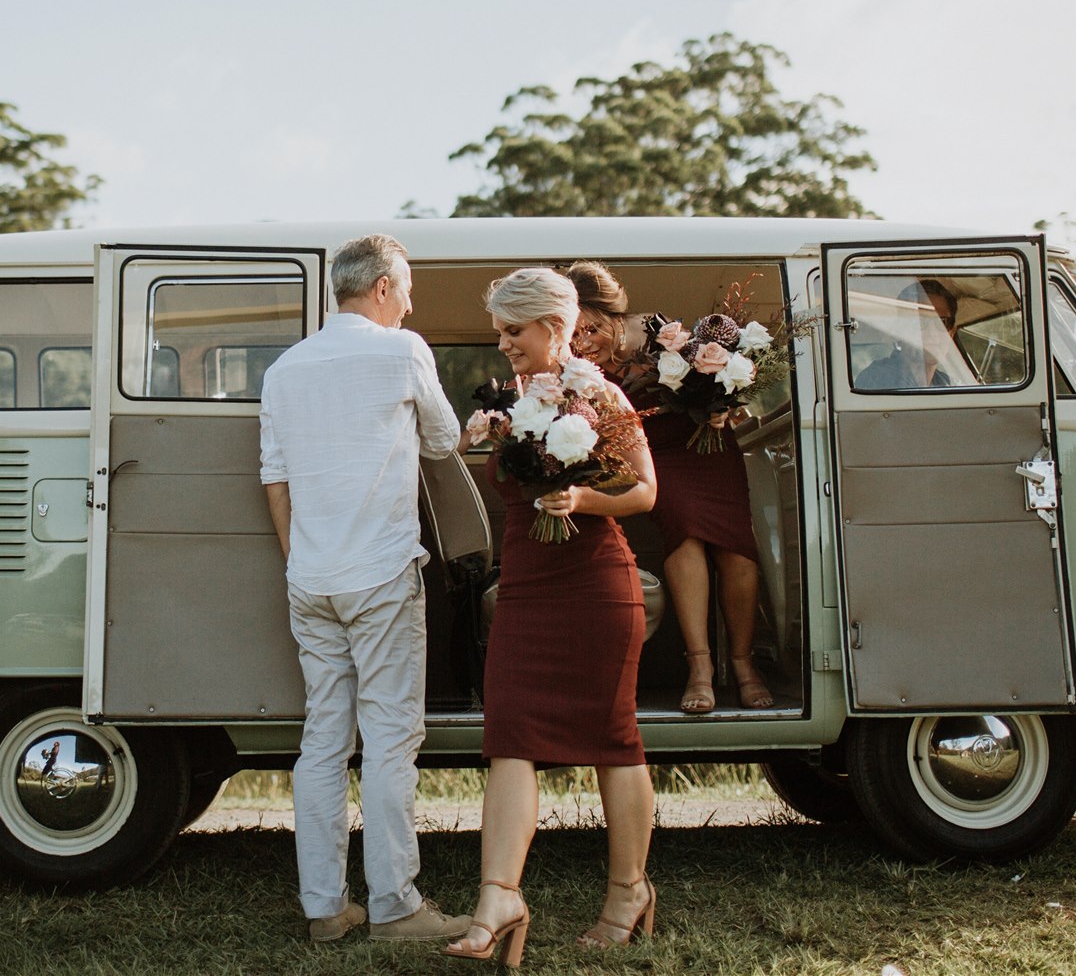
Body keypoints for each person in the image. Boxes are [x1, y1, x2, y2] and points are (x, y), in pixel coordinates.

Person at [258, 234, 471, 945]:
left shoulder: (286, 368)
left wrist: (302, 564)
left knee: (322, 739)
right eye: (406, 287)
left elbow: (275, 479)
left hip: (310, 579)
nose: (410, 302)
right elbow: (444, 442)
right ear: (381, 287)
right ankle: (396, 907)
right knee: (388, 740)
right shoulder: (401, 349)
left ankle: (325, 907)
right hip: (380, 575)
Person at [446, 267, 659, 966]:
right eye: (499, 330)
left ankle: (630, 890)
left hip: (596, 586)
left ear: (554, 329)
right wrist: (484, 434)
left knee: (613, 738)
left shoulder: (600, 393)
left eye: (514, 330)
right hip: (527, 590)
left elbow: (644, 492)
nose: (503, 343)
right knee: (508, 731)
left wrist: (586, 501)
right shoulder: (511, 401)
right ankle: (498, 896)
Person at [566, 262, 771, 714]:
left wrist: (723, 407)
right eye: (575, 332)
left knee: (738, 549)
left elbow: (727, 384)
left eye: (592, 329)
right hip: (658, 458)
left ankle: (743, 664)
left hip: (709, 447)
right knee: (686, 534)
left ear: (614, 317)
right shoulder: (578, 363)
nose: (584, 342)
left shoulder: (662, 331)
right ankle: (700, 667)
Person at [855, 279, 961, 390]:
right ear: (902, 329)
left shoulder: (946, 383)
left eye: (942, 322)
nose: (932, 331)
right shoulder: (877, 378)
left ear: (951, 333)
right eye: (921, 320)